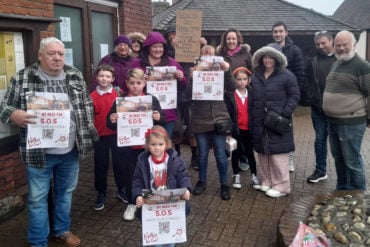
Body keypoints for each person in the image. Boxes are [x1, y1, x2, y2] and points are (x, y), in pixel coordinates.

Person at [0, 37, 99, 247]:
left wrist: (86, 129)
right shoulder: (24, 76)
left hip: (69, 149)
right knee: (37, 200)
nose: (57, 58)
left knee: (65, 194)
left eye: (60, 54)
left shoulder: (74, 74)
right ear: (40, 55)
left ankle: (62, 230)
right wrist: (15, 114)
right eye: (51, 53)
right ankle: (38, 242)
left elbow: (87, 104)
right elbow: (4, 107)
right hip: (38, 152)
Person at [107, 68, 166, 220]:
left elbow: (163, 120)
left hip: (148, 147)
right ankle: (132, 203)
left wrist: (158, 117)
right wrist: (112, 120)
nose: (135, 86)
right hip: (127, 147)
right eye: (132, 83)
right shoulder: (120, 101)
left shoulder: (151, 99)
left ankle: (150, 201)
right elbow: (110, 123)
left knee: (150, 173)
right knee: (130, 175)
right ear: (126, 83)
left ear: (144, 83)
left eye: (138, 83)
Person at [250, 44, 300, 198]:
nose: (267, 60)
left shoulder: (287, 75)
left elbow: (294, 96)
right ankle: (267, 181)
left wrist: (284, 113)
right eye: (264, 57)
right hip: (259, 119)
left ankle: (282, 186)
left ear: (277, 58)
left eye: (270, 57)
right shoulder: (255, 75)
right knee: (263, 152)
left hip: (278, 120)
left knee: (278, 154)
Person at [322, 30, 370, 190]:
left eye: (345, 45)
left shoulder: (362, 66)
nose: (341, 48)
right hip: (333, 121)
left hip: (351, 122)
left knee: (352, 160)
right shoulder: (337, 63)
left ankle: (358, 195)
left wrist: (367, 118)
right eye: (338, 45)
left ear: (354, 45)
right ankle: (342, 190)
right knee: (338, 158)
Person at [187, 45, 234, 200]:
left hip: (218, 117)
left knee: (221, 153)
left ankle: (224, 184)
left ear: (216, 56)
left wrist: (227, 72)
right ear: (200, 55)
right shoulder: (194, 71)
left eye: (211, 53)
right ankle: (202, 181)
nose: (207, 55)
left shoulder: (221, 70)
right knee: (202, 153)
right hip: (200, 117)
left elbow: (232, 87)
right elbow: (187, 95)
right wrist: (191, 79)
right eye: (205, 53)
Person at [132, 125, 192, 247]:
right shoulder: (143, 161)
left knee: (170, 235)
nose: (157, 148)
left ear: (167, 144)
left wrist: (186, 189)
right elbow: (137, 180)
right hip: (151, 203)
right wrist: (138, 195)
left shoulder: (175, 160)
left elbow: (183, 176)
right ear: (148, 145)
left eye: (160, 144)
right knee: (154, 238)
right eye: (153, 144)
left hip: (171, 202)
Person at [131, 31, 188, 138]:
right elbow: (129, 84)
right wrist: (140, 82)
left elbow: (184, 85)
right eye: (154, 47)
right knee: (145, 144)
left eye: (160, 46)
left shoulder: (171, 62)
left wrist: (181, 78)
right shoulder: (137, 64)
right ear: (148, 47)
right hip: (144, 110)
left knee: (164, 144)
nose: (158, 49)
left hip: (167, 112)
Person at [90, 64, 127, 210]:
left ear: (113, 78)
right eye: (101, 76)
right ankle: (101, 192)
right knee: (100, 165)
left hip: (117, 135)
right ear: (96, 77)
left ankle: (122, 189)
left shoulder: (119, 94)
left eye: (107, 76)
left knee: (120, 164)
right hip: (100, 136)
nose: (104, 79)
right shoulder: (91, 96)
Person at [302, 31, 336, 183]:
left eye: (323, 43)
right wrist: (312, 98)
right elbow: (307, 80)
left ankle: (345, 173)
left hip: (338, 111)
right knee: (320, 140)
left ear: (331, 41)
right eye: (317, 44)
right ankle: (320, 170)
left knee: (340, 142)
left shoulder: (340, 59)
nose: (320, 46)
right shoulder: (312, 60)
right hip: (318, 109)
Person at [217, 28, 253, 171]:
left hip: (240, 93)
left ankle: (243, 157)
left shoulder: (246, 54)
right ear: (225, 40)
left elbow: (252, 72)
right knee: (227, 125)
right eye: (228, 39)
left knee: (241, 127)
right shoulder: (219, 54)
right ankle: (228, 150)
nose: (231, 41)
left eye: (233, 38)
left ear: (238, 39)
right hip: (224, 94)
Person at [272, 21, 304, 172]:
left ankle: (289, 157)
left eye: (280, 31)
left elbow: (300, 74)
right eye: (275, 32)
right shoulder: (270, 49)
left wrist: (294, 96)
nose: (278, 34)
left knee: (287, 126)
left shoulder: (295, 50)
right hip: (273, 96)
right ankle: (276, 156)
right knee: (272, 125)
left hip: (287, 96)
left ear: (286, 32)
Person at [225, 67, 258, 189]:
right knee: (235, 153)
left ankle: (254, 175)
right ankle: (236, 175)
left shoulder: (253, 94)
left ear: (249, 80)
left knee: (250, 153)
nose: (242, 82)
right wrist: (228, 131)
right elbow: (227, 114)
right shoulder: (230, 95)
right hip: (236, 129)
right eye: (239, 79)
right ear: (234, 80)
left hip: (249, 129)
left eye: (244, 79)